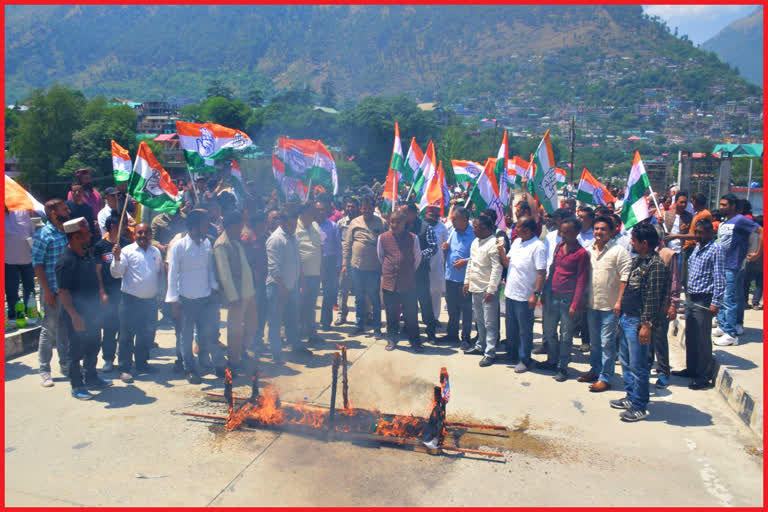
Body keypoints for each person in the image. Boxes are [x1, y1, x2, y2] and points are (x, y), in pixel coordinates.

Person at [610, 223, 668, 422]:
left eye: (634, 240)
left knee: (639, 365)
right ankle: (630, 396)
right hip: (627, 318)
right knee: (626, 361)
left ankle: (640, 405)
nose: (631, 242)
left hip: (639, 322)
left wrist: (646, 325)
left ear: (644, 243)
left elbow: (652, 298)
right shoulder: (637, 261)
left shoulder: (656, 265)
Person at [166, 209, 227, 384]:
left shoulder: (207, 243)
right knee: (185, 337)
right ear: (194, 226)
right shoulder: (179, 246)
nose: (207, 227)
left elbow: (209, 269)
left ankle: (210, 363)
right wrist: (174, 301)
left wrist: (214, 287)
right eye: (204, 224)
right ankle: (190, 369)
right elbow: (173, 274)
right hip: (186, 299)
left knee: (207, 333)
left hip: (206, 296)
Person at [57, 217, 112, 400]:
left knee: (94, 344)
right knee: (76, 350)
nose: (90, 234)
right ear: (75, 236)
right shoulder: (66, 260)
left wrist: (101, 293)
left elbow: (95, 276)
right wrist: (74, 315)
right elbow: (63, 291)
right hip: (77, 313)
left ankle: (92, 377)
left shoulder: (86, 253)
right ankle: (77, 385)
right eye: (86, 232)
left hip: (92, 310)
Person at [673, 218, 725, 389]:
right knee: (691, 335)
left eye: (701, 232)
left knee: (702, 339)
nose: (698, 235)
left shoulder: (715, 249)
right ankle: (692, 368)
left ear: (710, 233)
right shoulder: (697, 247)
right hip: (691, 297)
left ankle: (703, 376)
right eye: (696, 232)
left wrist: (716, 302)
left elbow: (719, 278)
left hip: (705, 299)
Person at [110, 222, 164, 382]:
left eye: (146, 233)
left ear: (151, 235)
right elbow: (116, 274)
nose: (143, 236)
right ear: (134, 235)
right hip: (130, 302)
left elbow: (159, 273)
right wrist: (117, 258)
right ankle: (124, 368)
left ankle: (142, 364)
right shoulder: (126, 251)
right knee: (126, 336)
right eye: (139, 233)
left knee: (146, 335)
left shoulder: (156, 252)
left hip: (150, 302)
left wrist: (161, 294)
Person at [582, 215, 631, 392]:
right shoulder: (589, 250)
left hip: (610, 307)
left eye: (603, 229)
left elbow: (626, 277)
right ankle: (595, 370)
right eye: (596, 229)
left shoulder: (619, 252)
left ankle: (605, 377)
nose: (599, 232)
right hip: (592, 304)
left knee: (606, 343)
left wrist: (620, 301)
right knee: (594, 343)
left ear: (611, 231)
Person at [539, 216, 590, 382]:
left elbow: (582, 280)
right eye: (562, 231)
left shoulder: (581, 253)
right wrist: (544, 293)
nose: (563, 234)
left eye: (567, 232)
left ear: (575, 233)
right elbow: (552, 270)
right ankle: (552, 360)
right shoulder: (559, 247)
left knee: (566, 335)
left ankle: (562, 366)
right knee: (549, 331)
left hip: (568, 299)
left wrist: (575, 304)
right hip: (552, 295)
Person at [497, 216, 546, 372]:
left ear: (527, 229)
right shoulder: (517, 242)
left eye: (518, 227)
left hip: (526, 296)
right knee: (511, 327)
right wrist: (500, 250)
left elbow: (541, 272)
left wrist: (535, 294)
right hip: (511, 293)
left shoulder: (538, 246)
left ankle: (524, 359)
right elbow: (507, 263)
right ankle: (511, 354)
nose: (515, 229)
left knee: (524, 330)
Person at [712, 193, 763, 346]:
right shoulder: (725, 221)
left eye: (724, 205)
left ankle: (731, 333)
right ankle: (723, 325)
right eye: (720, 205)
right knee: (722, 297)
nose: (721, 208)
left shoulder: (741, 220)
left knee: (729, 299)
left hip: (733, 265)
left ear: (733, 206)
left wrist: (757, 253)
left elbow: (761, 231)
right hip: (722, 263)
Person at [32, 199, 71, 387]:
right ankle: (44, 370)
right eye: (64, 208)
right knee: (48, 332)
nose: (68, 210)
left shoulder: (66, 232)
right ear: (53, 212)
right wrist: (46, 290)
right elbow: (37, 265)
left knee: (64, 330)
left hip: (66, 292)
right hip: (52, 292)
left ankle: (65, 365)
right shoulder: (43, 234)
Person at [213, 211, 257, 371]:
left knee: (251, 324)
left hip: (248, 292)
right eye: (240, 225)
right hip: (236, 296)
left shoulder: (236, 242)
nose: (242, 228)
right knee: (235, 330)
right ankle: (233, 360)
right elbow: (224, 275)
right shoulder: (221, 244)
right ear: (232, 226)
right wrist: (233, 297)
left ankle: (242, 351)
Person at [266, 206, 307, 362]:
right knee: (275, 321)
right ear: (282, 222)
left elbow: (297, 259)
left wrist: (300, 277)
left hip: (292, 285)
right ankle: (276, 353)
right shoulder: (276, 239)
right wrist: (282, 287)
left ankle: (295, 346)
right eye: (291, 224)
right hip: (277, 288)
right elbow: (273, 268)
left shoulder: (293, 236)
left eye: (295, 223)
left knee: (292, 318)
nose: (294, 226)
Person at [377, 210, 423, 352]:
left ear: (405, 223)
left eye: (398, 222)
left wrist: (407, 271)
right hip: (389, 282)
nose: (395, 224)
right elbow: (381, 257)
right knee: (391, 314)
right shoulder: (382, 238)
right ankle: (391, 339)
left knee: (411, 315)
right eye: (392, 221)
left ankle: (414, 341)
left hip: (408, 283)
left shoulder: (413, 238)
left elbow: (417, 258)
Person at [342, 196, 386, 336]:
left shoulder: (381, 223)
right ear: (360, 208)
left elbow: (386, 243)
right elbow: (347, 245)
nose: (366, 210)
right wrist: (345, 264)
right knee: (359, 297)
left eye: (369, 208)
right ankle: (359, 325)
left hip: (374, 268)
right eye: (364, 208)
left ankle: (377, 328)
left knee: (374, 298)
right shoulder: (354, 223)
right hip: (357, 267)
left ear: (373, 208)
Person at [463, 214, 503, 367]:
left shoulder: (494, 243)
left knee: (490, 322)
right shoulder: (475, 242)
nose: (473, 229)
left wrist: (491, 290)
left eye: (475, 227)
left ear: (485, 228)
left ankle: (490, 352)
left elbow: (497, 268)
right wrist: (467, 281)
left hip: (487, 289)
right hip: (475, 287)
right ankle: (480, 345)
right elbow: (471, 263)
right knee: (479, 320)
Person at [93, 214, 131, 372]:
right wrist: (102, 291)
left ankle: (124, 359)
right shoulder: (100, 246)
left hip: (125, 292)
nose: (125, 228)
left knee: (125, 328)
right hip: (109, 292)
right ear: (113, 227)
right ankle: (108, 358)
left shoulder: (127, 244)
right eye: (121, 225)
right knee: (109, 328)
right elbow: (98, 271)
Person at [440, 207, 475, 350]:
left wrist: (465, 261)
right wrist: (445, 248)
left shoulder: (474, 233)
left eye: (455, 218)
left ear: (464, 220)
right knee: (452, 308)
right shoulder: (452, 231)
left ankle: (465, 338)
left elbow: (480, 255)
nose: (452, 220)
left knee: (466, 310)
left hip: (465, 280)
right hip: (450, 277)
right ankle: (452, 334)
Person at [403, 203, 438, 343]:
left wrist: (418, 256)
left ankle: (430, 333)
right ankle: (410, 329)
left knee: (425, 303)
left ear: (413, 213)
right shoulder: (402, 226)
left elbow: (433, 247)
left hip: (421, 271)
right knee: (408, 302)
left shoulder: (426, 227)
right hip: (405, 272)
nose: (402, 216)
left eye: (404, 213)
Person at [537, 208, 569, 356]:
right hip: (549, 281)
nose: (554, 221)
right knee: (547, 317)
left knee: (564, 321)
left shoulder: (575, 238)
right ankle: (546, 344)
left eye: (557, 219)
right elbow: (545, 259)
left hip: (566, 285)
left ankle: (561, 353)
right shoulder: (550, 237)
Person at [296, 201, 324, 344]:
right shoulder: (295, 227)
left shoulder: (315, 225)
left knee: (311, 306)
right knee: (300, 306)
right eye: (311, 212)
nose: (314, 214)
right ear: (302, 213)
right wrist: (301, 278)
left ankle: (312, 334)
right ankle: (298, 336)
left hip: (315, 273)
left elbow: (319, 247)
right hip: (301, 276)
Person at [241, 210, 268, 352]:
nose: (264, 226)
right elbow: (244, 261)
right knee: (252, 314)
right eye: (261, 224)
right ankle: (250, 342)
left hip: (264, 280)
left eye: (265, 223)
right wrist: (253, 271)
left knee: (262, 312)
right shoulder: (247, 240)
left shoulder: (266, 238)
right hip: (252, 283)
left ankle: (259, 339)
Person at [316, 197, 342, 331]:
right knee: (311, 293)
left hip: (329, 261)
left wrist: (338, 265)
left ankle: (325, 322)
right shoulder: (310, 226)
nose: (320, 212)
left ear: (327, 211)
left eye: (322, 210)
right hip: (314, 263)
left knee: (329, 293)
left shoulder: (333, 226)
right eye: (318, 210)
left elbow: (338, 247)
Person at [5, 207, 36, 320]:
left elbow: (31, 229)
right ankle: (14, 313)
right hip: (8, 259)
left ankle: (30, 310)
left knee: (29, 286)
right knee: (11, 288)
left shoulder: (22, 210)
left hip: (26, 256)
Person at [334, 198, 360, 326]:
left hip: (360, 262)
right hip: (345, 263)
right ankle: (341, 315)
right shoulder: (341, 223)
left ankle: (364, 315)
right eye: (348, 206)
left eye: (353, 206)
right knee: (342, 289)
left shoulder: (363, 222)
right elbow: (337, 242)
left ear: (358, 208)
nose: (350, 209)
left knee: (362, 291)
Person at [426, 205, 449, 324]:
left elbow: (446, 246)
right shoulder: (422, 226)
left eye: (436, 216)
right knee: (423, 292)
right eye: (431, 215)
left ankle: (435, 318)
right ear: (426, 215)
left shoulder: (443, 228)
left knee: (436, 292)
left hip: (437, 264)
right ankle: (425, 317)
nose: (433, 218)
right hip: (423, 263)